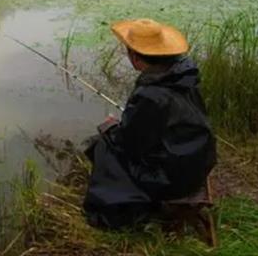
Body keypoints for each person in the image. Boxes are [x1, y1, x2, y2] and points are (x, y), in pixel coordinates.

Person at [83, 18, 217, 229]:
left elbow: (129, 146)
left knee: (103, 146)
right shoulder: (183, 76)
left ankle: (118, 211)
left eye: (128, 51)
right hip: (199, 162)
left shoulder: (150, 95)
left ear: (136, 59)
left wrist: (111, 127)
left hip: (174, 179)